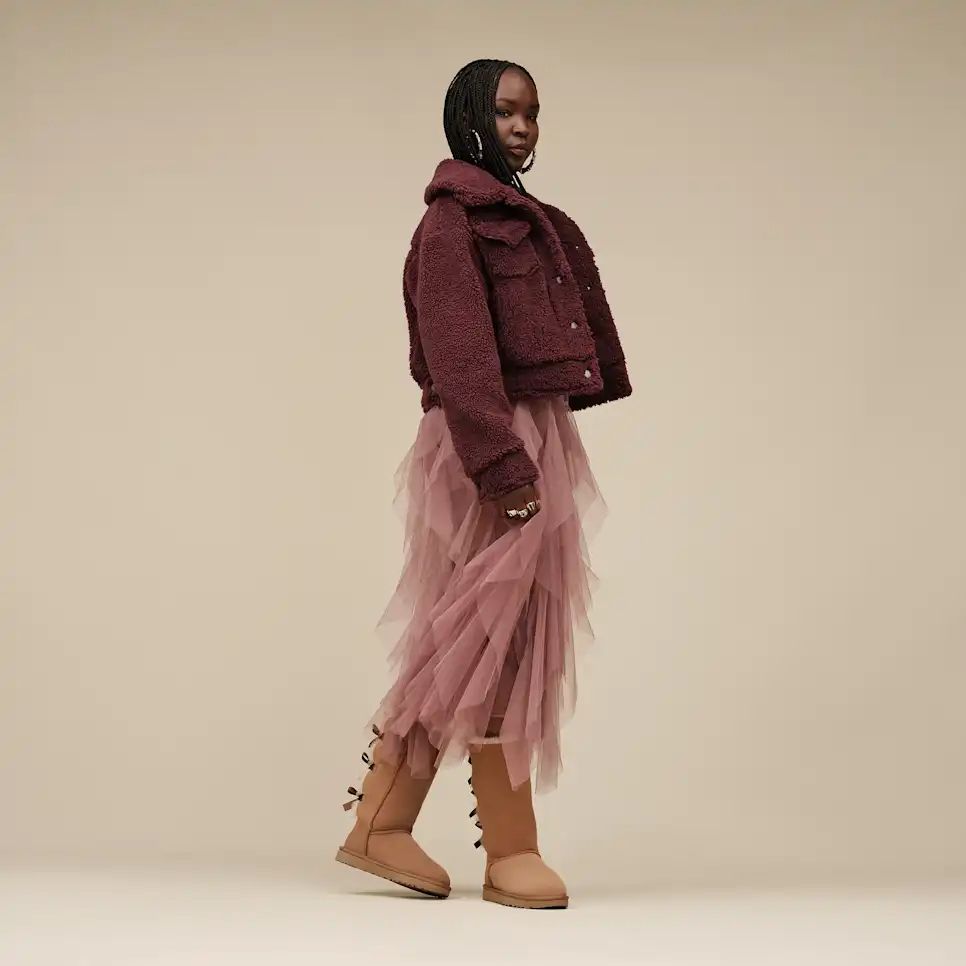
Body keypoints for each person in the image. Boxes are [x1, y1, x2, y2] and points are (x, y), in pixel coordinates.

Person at [334, 58, 632, 910]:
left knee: (515, 637)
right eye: (505, 112)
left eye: (532, 112)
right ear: (469, 116)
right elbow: (458, 355)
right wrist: (501, 465)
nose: (523, 126)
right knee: (469, 632)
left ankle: (497, 847)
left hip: (537, 433)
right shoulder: (451, 224)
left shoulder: (533, 221)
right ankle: (387, 823)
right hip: (485, 440)